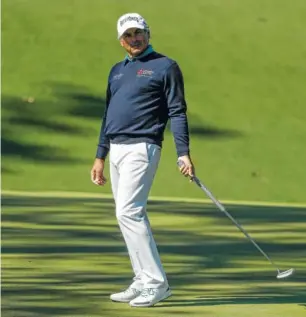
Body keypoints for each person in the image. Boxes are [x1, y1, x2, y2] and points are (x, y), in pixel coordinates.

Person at [90, 12, 195, 307]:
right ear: (121, 41)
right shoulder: (117, 71)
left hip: (143, 147)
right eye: (127, 35)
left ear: (148, 34)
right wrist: (100, 156)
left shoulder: (165, 67)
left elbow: (177, 111)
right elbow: (108, 115)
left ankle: (157, 283)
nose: (134, 39)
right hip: (117, 148)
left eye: (138, 33)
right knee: (126, 215)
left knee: (129, 212)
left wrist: (183, 152)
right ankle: (141, 279)